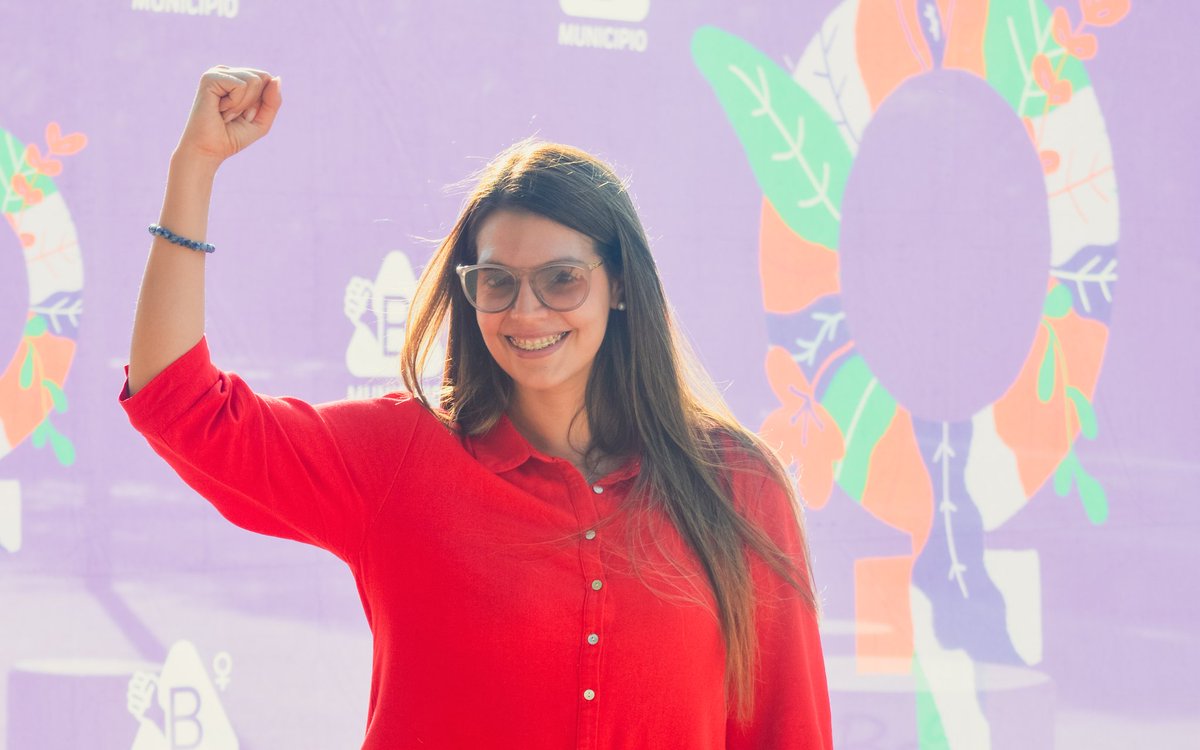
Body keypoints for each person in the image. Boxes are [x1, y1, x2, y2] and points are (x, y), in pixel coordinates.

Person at [122, 66, 832, 749]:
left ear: (619, 284)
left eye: (561, 279)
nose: (526, 311)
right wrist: (195, 167)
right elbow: (181, 405)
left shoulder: (736, 485)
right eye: (497, 281)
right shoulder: (398, 459)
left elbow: (787, 732)